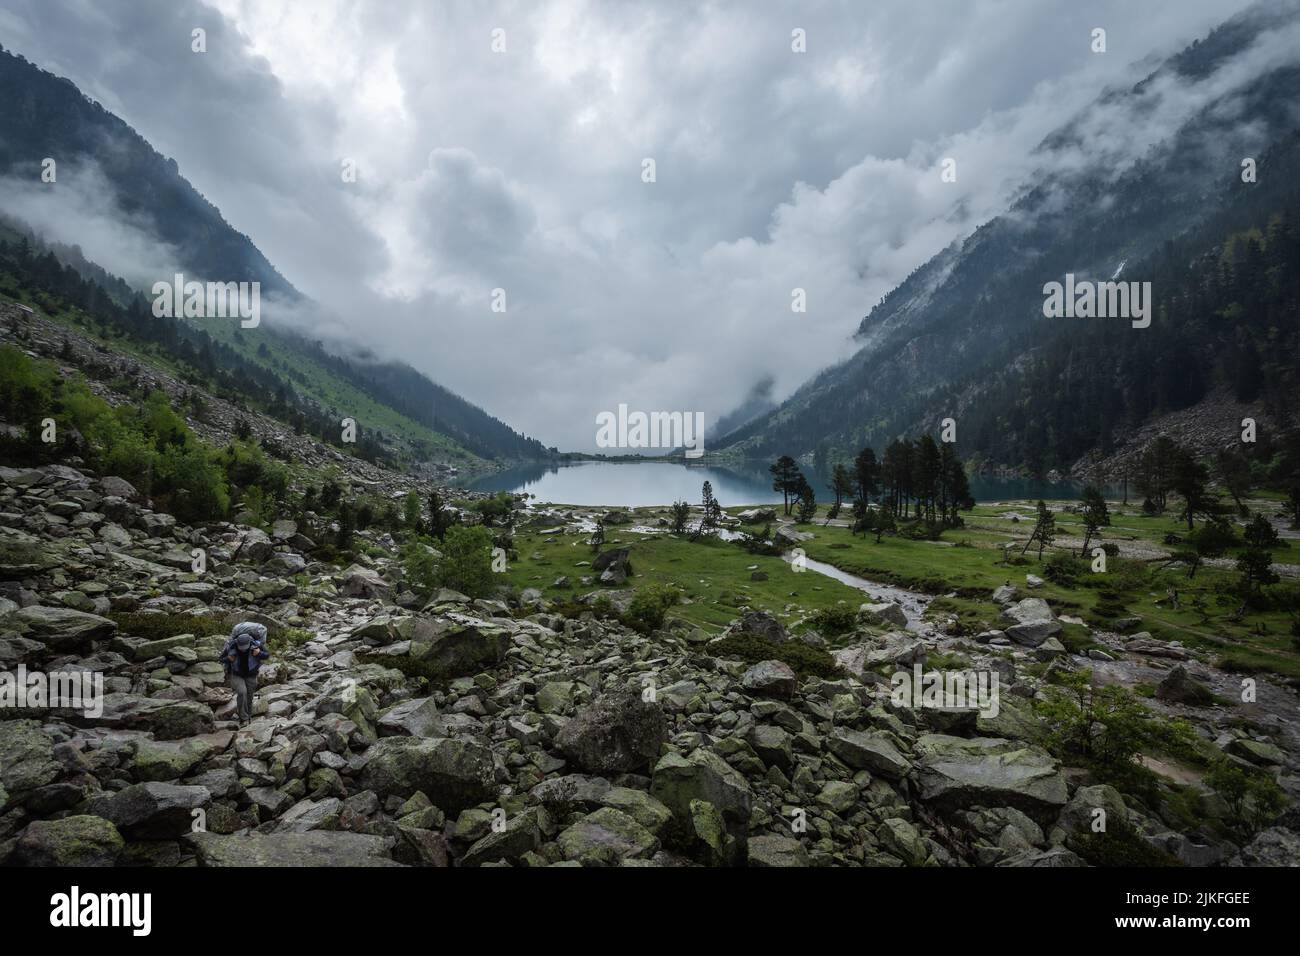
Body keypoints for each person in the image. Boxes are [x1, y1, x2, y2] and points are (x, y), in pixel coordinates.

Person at [219, 622, 270, 726]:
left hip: (251, 674)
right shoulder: (231, 646)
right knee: (242, 692)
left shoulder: (256, 644)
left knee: (249, 696)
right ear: (237, 642)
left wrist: (259, 653)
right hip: (236, 674)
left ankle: (249, 715)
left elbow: (267, 655)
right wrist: (228, 659)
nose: (243, 649)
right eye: (241, 647)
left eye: (245, 647)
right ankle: (244, 718)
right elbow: (221, 659)